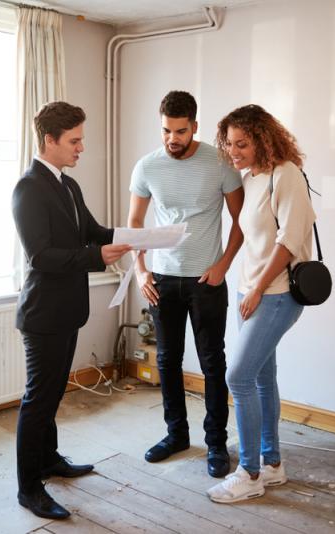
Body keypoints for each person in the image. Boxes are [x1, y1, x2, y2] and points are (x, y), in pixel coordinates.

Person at [11, 101, 131, 519]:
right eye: (75, 141)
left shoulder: (68, 185)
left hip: (67, 311)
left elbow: (93, 233)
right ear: (50, 140)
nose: (82, 148)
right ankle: (29, 488)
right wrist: (98, 256)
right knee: (38, 400)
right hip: (43, 314)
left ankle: (49, 460)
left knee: (54, 393)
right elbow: (41, 256)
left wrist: (140, 236)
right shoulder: (28, 189)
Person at [128, 90, 245, 478]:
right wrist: (141, 271)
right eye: (166, 131)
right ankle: (176, 434)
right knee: (167, 360)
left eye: (180, 131)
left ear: (194, 126)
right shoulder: (147, 167)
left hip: (205, 279)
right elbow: (134, 225)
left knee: (213, 363)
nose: (172, 139)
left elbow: (242, 221)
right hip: (162, 278)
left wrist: (223, 265)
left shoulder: (221, 161)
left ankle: (215, 444)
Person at [206, 104, 315, 503]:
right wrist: (240, 283)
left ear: (263, 139)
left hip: (276, 295)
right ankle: (272, 463)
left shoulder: (285, 175)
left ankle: (249, 472)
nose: (234, 152)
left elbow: (290, 240)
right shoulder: (251, 177)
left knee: (238, 378)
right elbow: (249, 235)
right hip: (249, 292)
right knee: (262, 378)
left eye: (243, 144)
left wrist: (256, 290)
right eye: (230, 144)